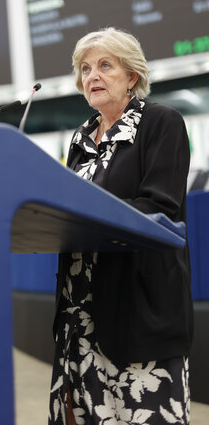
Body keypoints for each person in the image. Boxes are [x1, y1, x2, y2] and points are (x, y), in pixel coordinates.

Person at [49, 27, 193, 425]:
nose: (91, 75)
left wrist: (80, 217)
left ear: (131, 76)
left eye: (104, 66)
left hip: (138, 312)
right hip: (79, 318)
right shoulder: (80, 138)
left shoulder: (161, 123)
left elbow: (159, 207)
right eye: (85, 68)